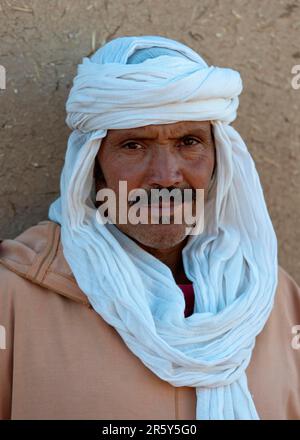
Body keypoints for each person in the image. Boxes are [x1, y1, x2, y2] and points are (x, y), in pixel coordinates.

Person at [0, 35, 299, 420]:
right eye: (134, 145)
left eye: (188, 142)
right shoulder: (16, 298)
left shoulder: (271, 298)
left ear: (218, 160)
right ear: (94, 167)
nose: (166, 176)